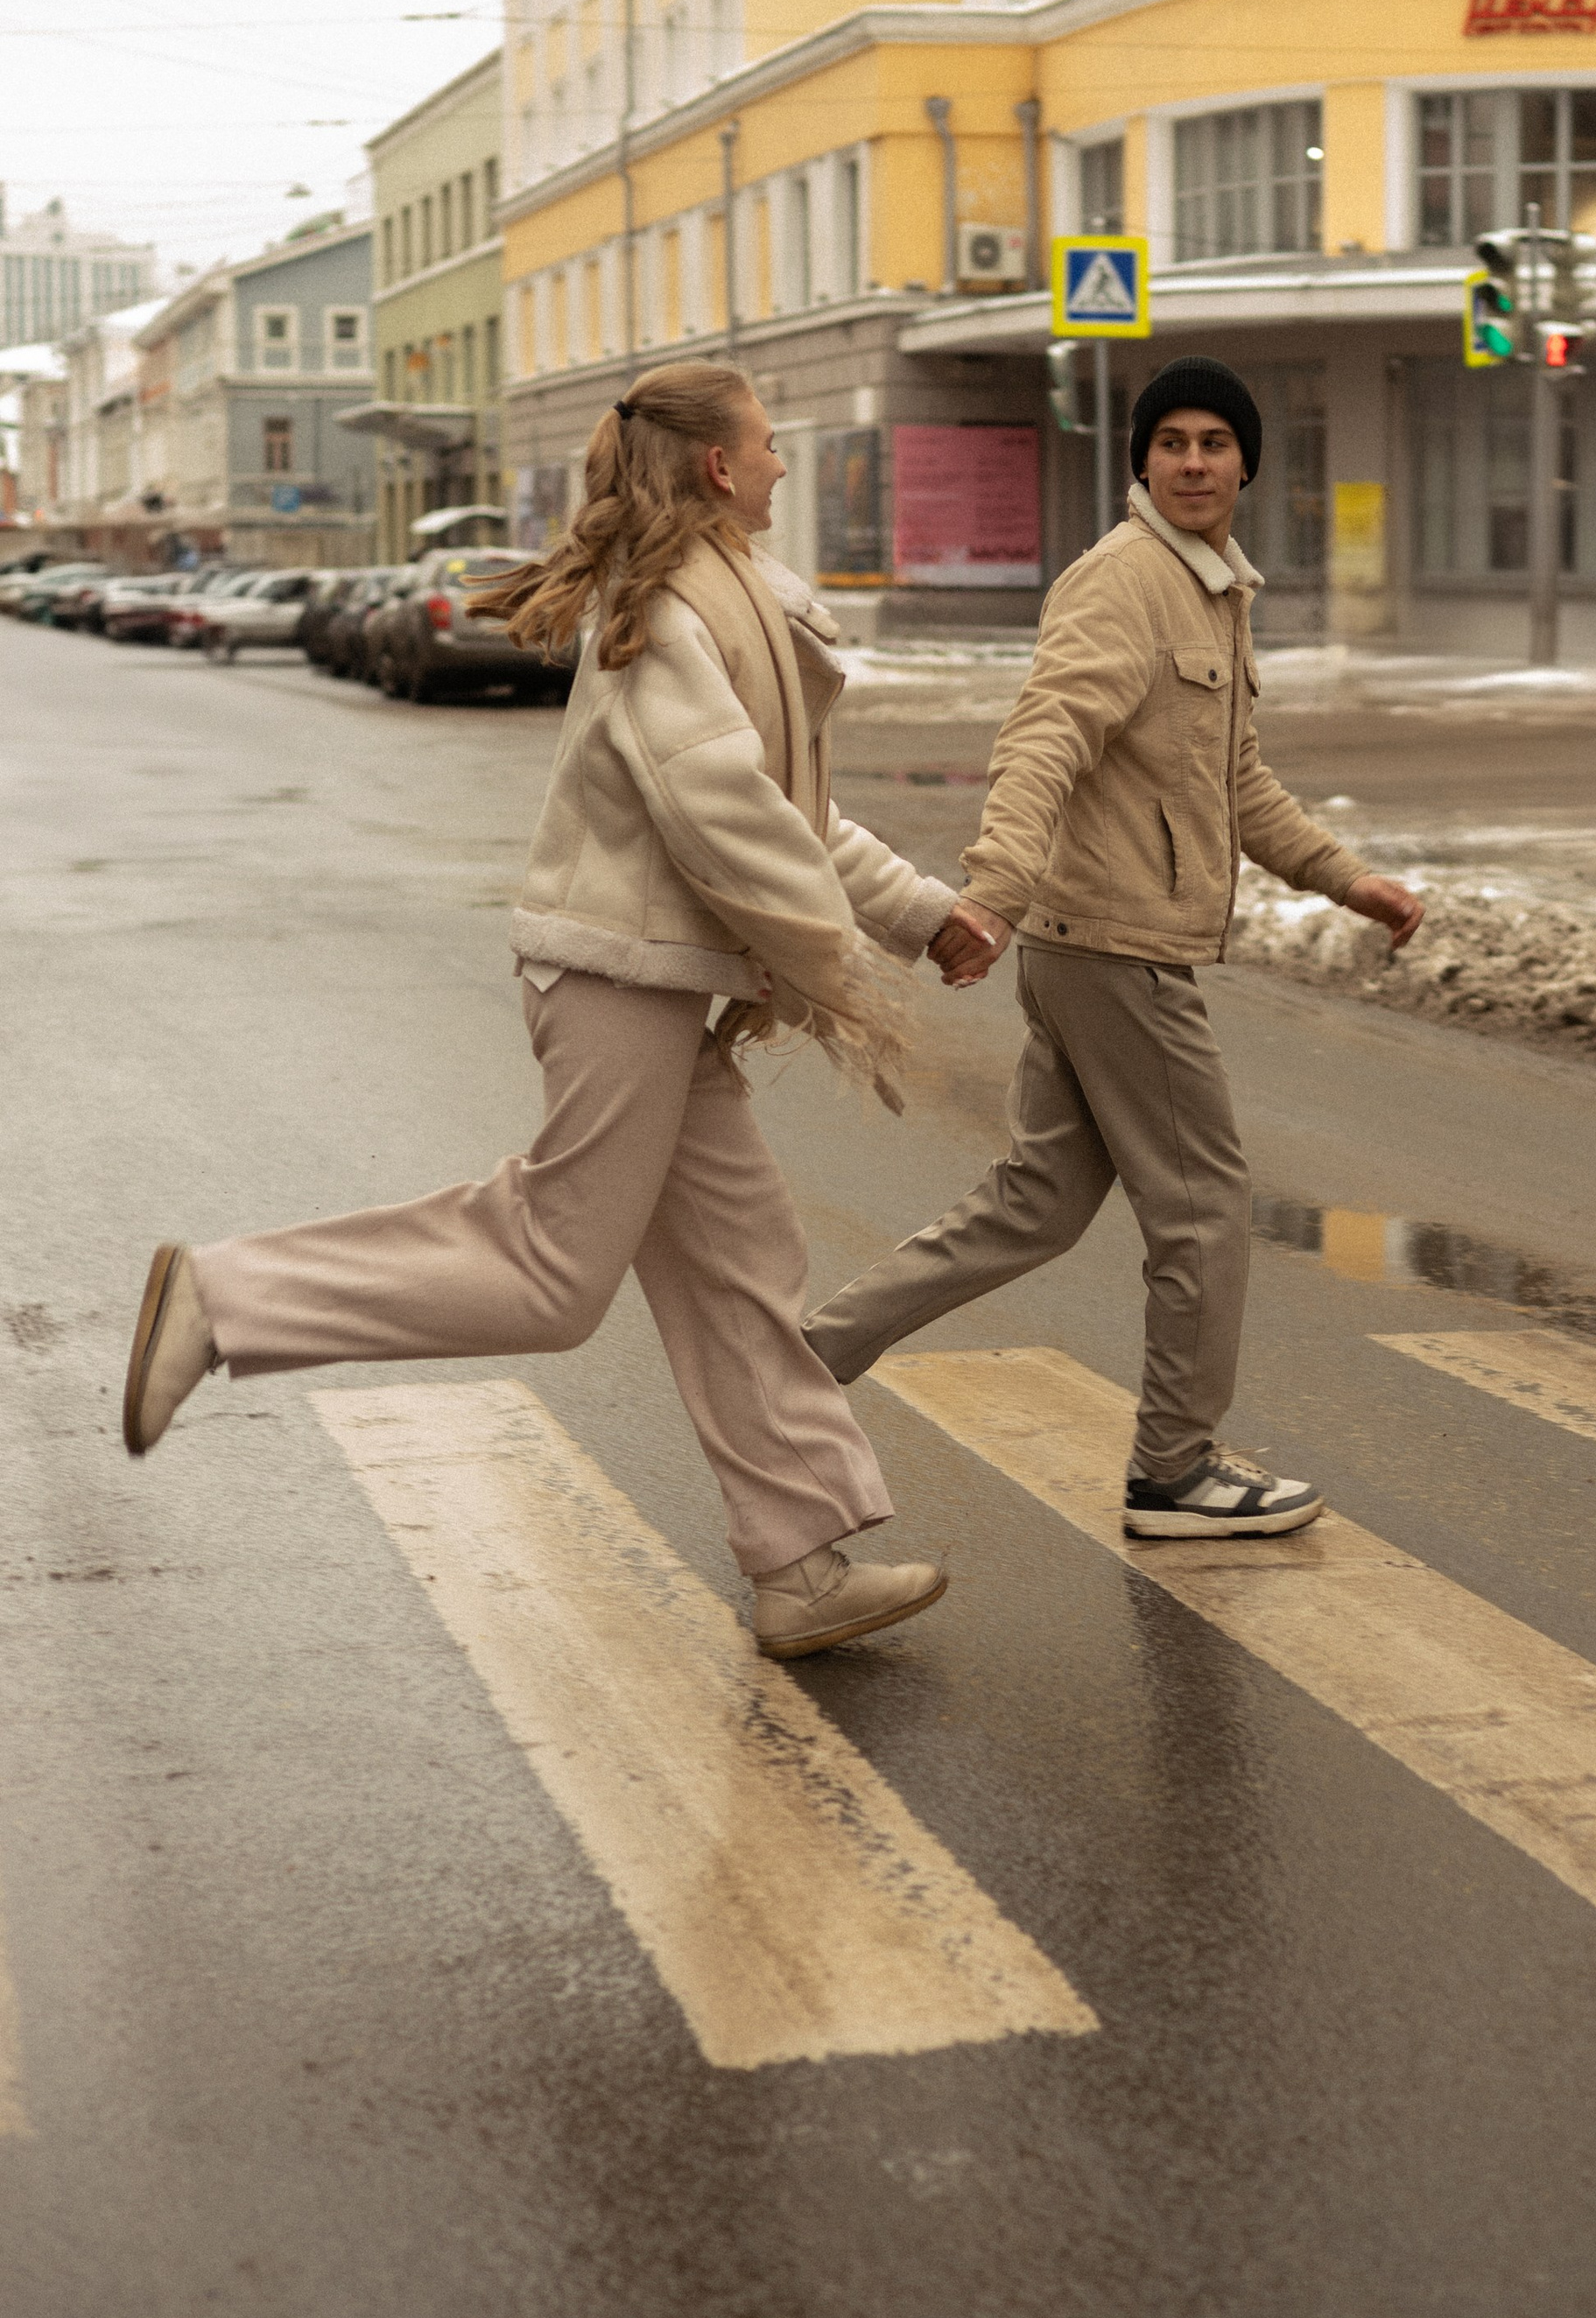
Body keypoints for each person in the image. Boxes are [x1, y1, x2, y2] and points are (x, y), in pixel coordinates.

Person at [120, 361, 988, 1658]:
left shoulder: (722, 593)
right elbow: (720, 807)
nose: (779, 463)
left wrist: (918, 911)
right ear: (718, 465)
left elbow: (785, 811)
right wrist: (833, 964)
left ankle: (802, 1563)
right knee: (553, 1272)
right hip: (617, 975)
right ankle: (225, 1299)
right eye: (765, 443)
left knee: (739, 1265)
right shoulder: (675, 607)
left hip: (655, 979)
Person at [805, 356, 1424, 1540]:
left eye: (1214, 443)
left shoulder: (1211, 588)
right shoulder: (1125, 581)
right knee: (1205, 1208)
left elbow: (1235, 780)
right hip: (1114, 944)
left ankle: (802, 1361)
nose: (1193, 462)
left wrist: (1344, 878)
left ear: (1246, 463)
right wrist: (992, 893)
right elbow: (1043, 741)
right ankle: (1174, 1471)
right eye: (1171, 442)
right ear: (1141, 460)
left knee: (1036, 1205)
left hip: (1096, 944)